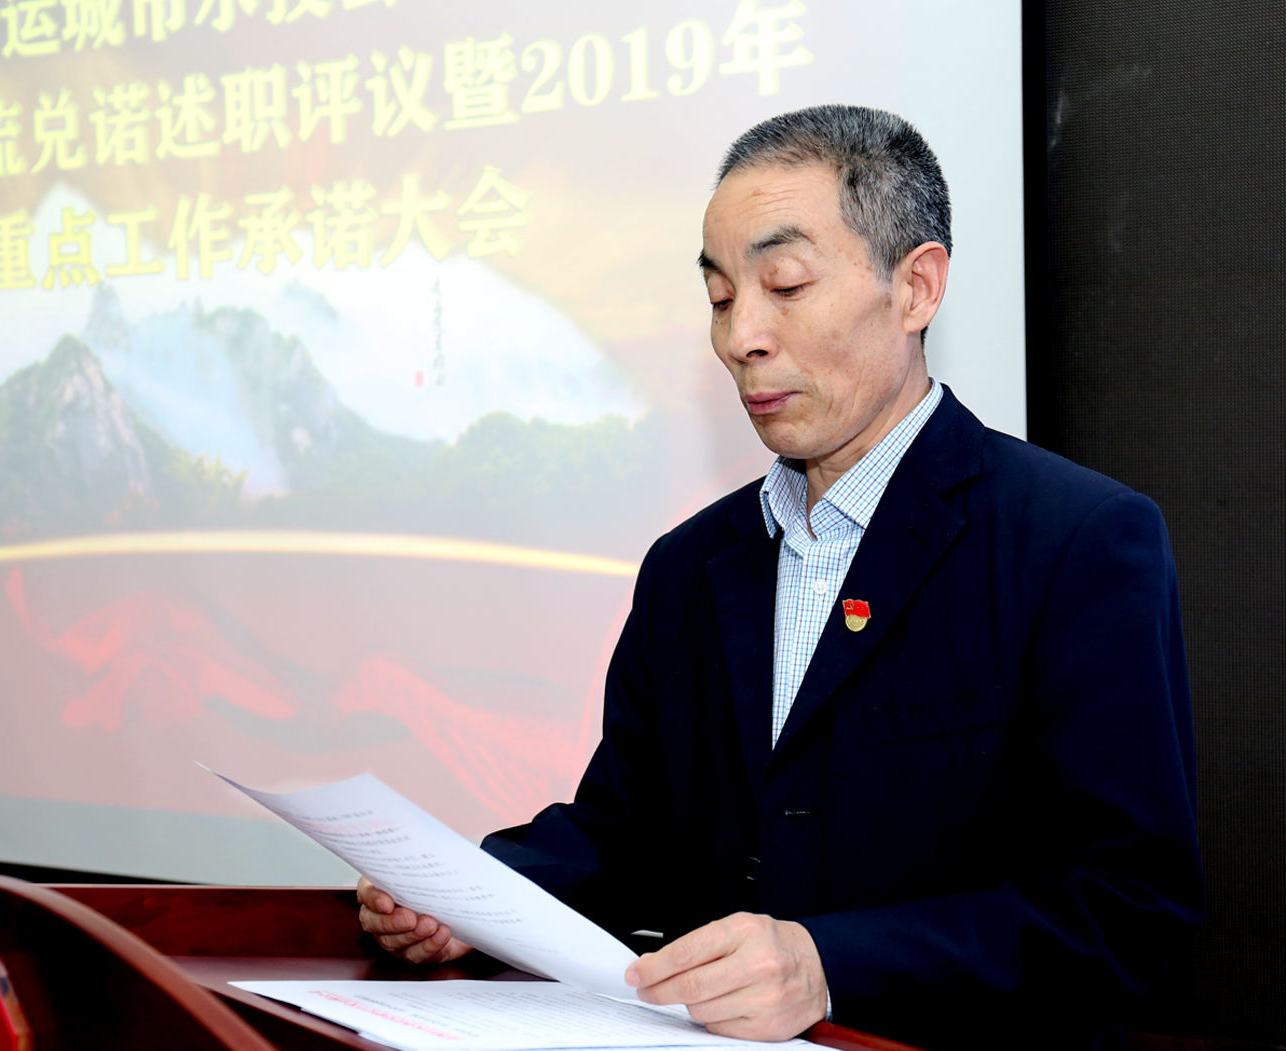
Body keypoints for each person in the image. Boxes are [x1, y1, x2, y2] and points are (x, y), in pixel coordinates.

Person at [356, 105, 1204, 1051]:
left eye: (786, 285)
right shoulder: (688, 565)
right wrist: (469, 893)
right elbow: (625, 833)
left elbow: (1131, 908)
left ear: (917, 287)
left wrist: (829, 962)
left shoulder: (1076, 540)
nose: (742, 336)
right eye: (721, 297)